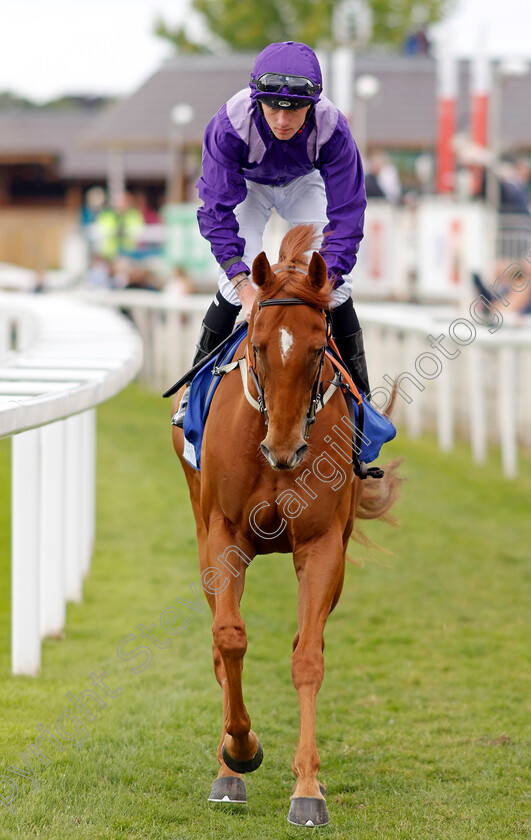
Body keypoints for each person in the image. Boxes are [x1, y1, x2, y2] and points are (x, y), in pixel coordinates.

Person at [172, 40, 368, 427]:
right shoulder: (229, 125)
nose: (282, 120)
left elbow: (348, 215)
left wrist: (325, 281)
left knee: (338, 287)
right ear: (255, 98)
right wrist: (243, 283)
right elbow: (216, 211)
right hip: (247, 186)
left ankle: (362, 401)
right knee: (232, 287)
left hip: (303, 182)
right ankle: (192, 393)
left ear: (312, 104)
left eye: (294, 109)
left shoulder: (334, 128)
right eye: (272, 107)